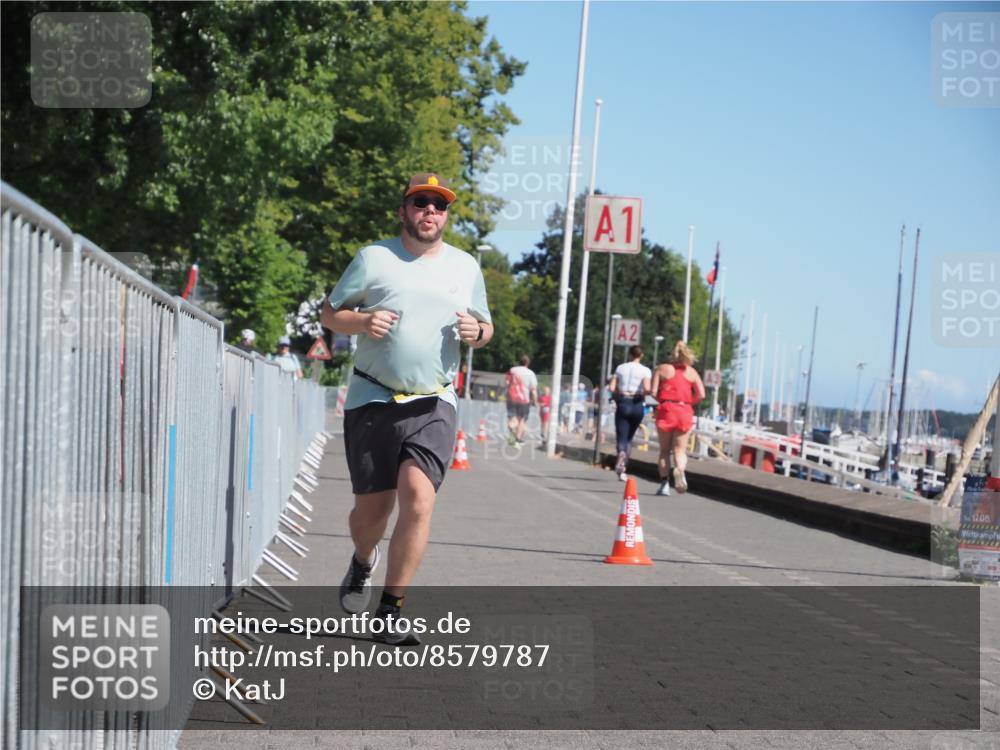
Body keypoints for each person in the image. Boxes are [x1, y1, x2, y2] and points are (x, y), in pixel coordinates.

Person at [320, 172, 493, 645]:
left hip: (434, 400)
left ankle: (390, 610)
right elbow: (330, 314)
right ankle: (363, 559)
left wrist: (478, 333)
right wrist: (362, 321)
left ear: (446, 215)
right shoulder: (373, 258)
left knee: (418, 498)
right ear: (403, 211)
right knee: (371, 515)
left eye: (439, 205)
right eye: (420, 203)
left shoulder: (465, 267)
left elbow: (485, 326)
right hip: (373, 397)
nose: (430, 211)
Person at [651, 341, 706, 495]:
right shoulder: (692, 372)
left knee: (664, 451)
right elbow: (701, 394)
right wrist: (688, 402)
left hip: (667, 409)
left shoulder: (662, 369)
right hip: (684, 410)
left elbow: (653, 392)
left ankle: (664, 485)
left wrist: (663, 400)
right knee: (680, 450)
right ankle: (680, 469)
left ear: (672, 354)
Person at [608, 345, 652, 481]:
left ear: (630, 354)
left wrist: (619, 393)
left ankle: (621, 455)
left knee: (621, 436)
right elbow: (647, 388)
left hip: (623, 402)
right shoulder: (645, 370)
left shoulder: (620, 368)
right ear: (641, 355)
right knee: (629, 438)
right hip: (637, 403)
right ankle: (624, 465)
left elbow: (611, 387)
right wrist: (641, 393)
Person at [505, 355, 538, 445]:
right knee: (521, 420)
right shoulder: (530, 373)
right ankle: (518, 438)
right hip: (524, 400)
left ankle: (511, 429)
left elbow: (506, 383)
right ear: (528, 363)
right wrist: (535, 401)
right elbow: (533, 390)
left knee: (513, 419)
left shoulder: (512, 370)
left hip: (511, 398)